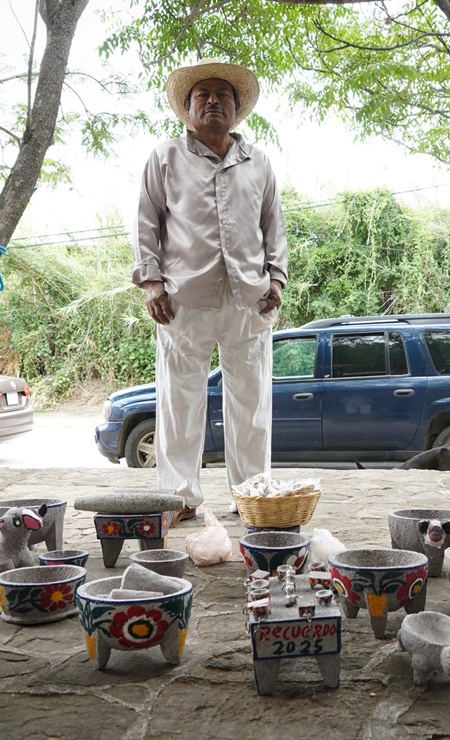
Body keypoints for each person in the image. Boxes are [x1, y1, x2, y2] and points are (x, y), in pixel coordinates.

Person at [133, 59, 289, 525]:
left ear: (238, 109)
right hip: (184, 298)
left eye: (223, 95)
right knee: (179, 400)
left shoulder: (258, 163)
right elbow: (146, 224)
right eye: (203, 95)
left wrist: (276, 279)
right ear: (187, 107)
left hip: (250, 299)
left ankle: (252, 496)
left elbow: (273, 227)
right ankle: (179, 498)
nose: (214, 101)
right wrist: (152, 282)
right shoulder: (165, 158)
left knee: (253, 403)